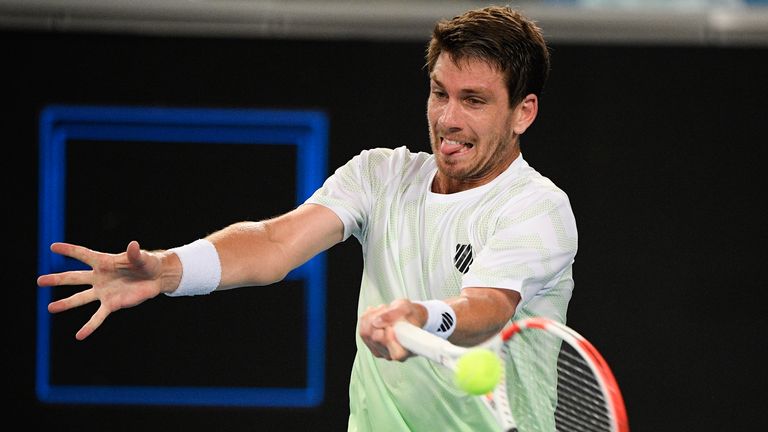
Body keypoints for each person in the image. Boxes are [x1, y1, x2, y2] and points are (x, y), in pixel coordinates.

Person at [37, 5, 577, 431]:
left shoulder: (536, 208)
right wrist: (168, 268)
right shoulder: (380, 174)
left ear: (522, 112)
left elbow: (486, 306)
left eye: (474, 100)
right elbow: (274, 242)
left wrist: (423, 316)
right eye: (440, 92)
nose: (448, 118)